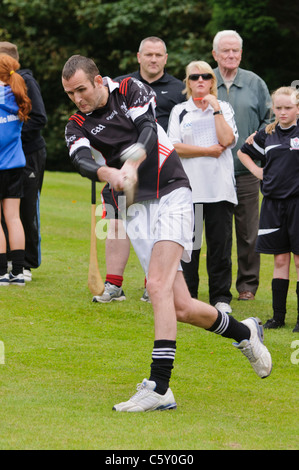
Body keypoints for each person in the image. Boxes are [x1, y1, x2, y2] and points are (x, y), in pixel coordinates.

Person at [62, 54, 272, 412]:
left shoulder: (128, 89)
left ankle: (159, 386)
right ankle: (245, 333)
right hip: (134, 208)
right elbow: (81, 158)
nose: (78, 98)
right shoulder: (76, 123)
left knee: (155, 285)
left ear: (98, 81)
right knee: (182, 306)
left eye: (82, 89)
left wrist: (130, 162)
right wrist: (107, 175)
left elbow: (146, 127)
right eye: (70, 93)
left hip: (172, 190)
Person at [96, 37, 186, 303]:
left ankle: (152, 283)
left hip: (160, 171)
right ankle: (114, 285)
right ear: (138, 56)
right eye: (149, 54)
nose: (153, 59)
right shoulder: (122, 87)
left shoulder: (179, 89)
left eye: (159, 55)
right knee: (115, 223)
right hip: (122, 170)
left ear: (166, 58)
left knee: (157, 229)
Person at [168, 61, 238, 315]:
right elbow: (174, 146)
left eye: (205, 76)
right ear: (187, 82)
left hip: (219, 191)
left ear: (212, 81)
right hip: (190, 191)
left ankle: (221, 297)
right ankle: (190, 295)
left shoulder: (225, 108)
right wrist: (207, 151)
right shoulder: (180, 110)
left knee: (220, 247)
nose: (200, 80)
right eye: (194, 77)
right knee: (191, 247)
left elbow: (227, 140)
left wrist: (216, 109)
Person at [212, 30, 272, 301]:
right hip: (211, 171)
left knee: (248, 232)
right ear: (215, 54)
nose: (231, 55)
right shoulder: (204, 79)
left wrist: (257, 137)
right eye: (226, 51)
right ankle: (216, 285)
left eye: (236, 50)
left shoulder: (254, 82)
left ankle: (247, 285)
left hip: (246, 170)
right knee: (216, 233)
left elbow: (270, 121)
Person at [237, 86, 299, 333]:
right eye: (279, 108)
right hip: (273, 205)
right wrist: (258, 172)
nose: (283, 112)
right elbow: (243, 153)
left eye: (289, 108)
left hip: (297, 204)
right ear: (273, 108)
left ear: (297, 108)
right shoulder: (266, 135)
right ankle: (278, 317)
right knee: (280, 259)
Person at [0, 42, 47, 282]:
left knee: (24, 211)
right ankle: (13, 265)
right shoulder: (10, 90)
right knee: (12, 214)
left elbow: (39, 118)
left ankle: (21, 265)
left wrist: (13, 138)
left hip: (26, 157)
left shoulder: (25, 83)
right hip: (12, 160)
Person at [0, 53, 31, 286]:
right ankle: (18, 272)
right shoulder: (18, 96)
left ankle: (1, 272)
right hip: (15, 166)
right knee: (13, 217)